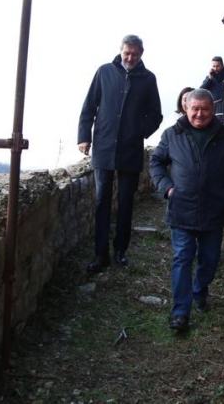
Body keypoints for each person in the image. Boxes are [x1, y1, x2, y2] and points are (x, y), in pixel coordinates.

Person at [149, 88, 224, 332]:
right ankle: (180, 312)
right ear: (186, 108)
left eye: (205, 109)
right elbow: (156, 162)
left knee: (209, 260)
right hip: (182, 210)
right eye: (194, 109)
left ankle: (200, 290)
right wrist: (166, 188)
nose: (199, 114)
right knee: (182, 258)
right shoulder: (172, 134)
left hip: (214, 210)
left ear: (213, 110)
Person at [78, 34, 163, 273]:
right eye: (127, 53)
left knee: (126, 203)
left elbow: (156, 115)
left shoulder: (148, 79)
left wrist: (139, 132)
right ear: (121, 51)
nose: (130, 57)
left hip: (130, 149)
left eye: (135, 54)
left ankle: (120, 252)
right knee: (101, 201)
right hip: (103, 147)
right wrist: (84, 136)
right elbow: (89, 106)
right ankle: (100, 254)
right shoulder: (104, 72)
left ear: (141, 54)